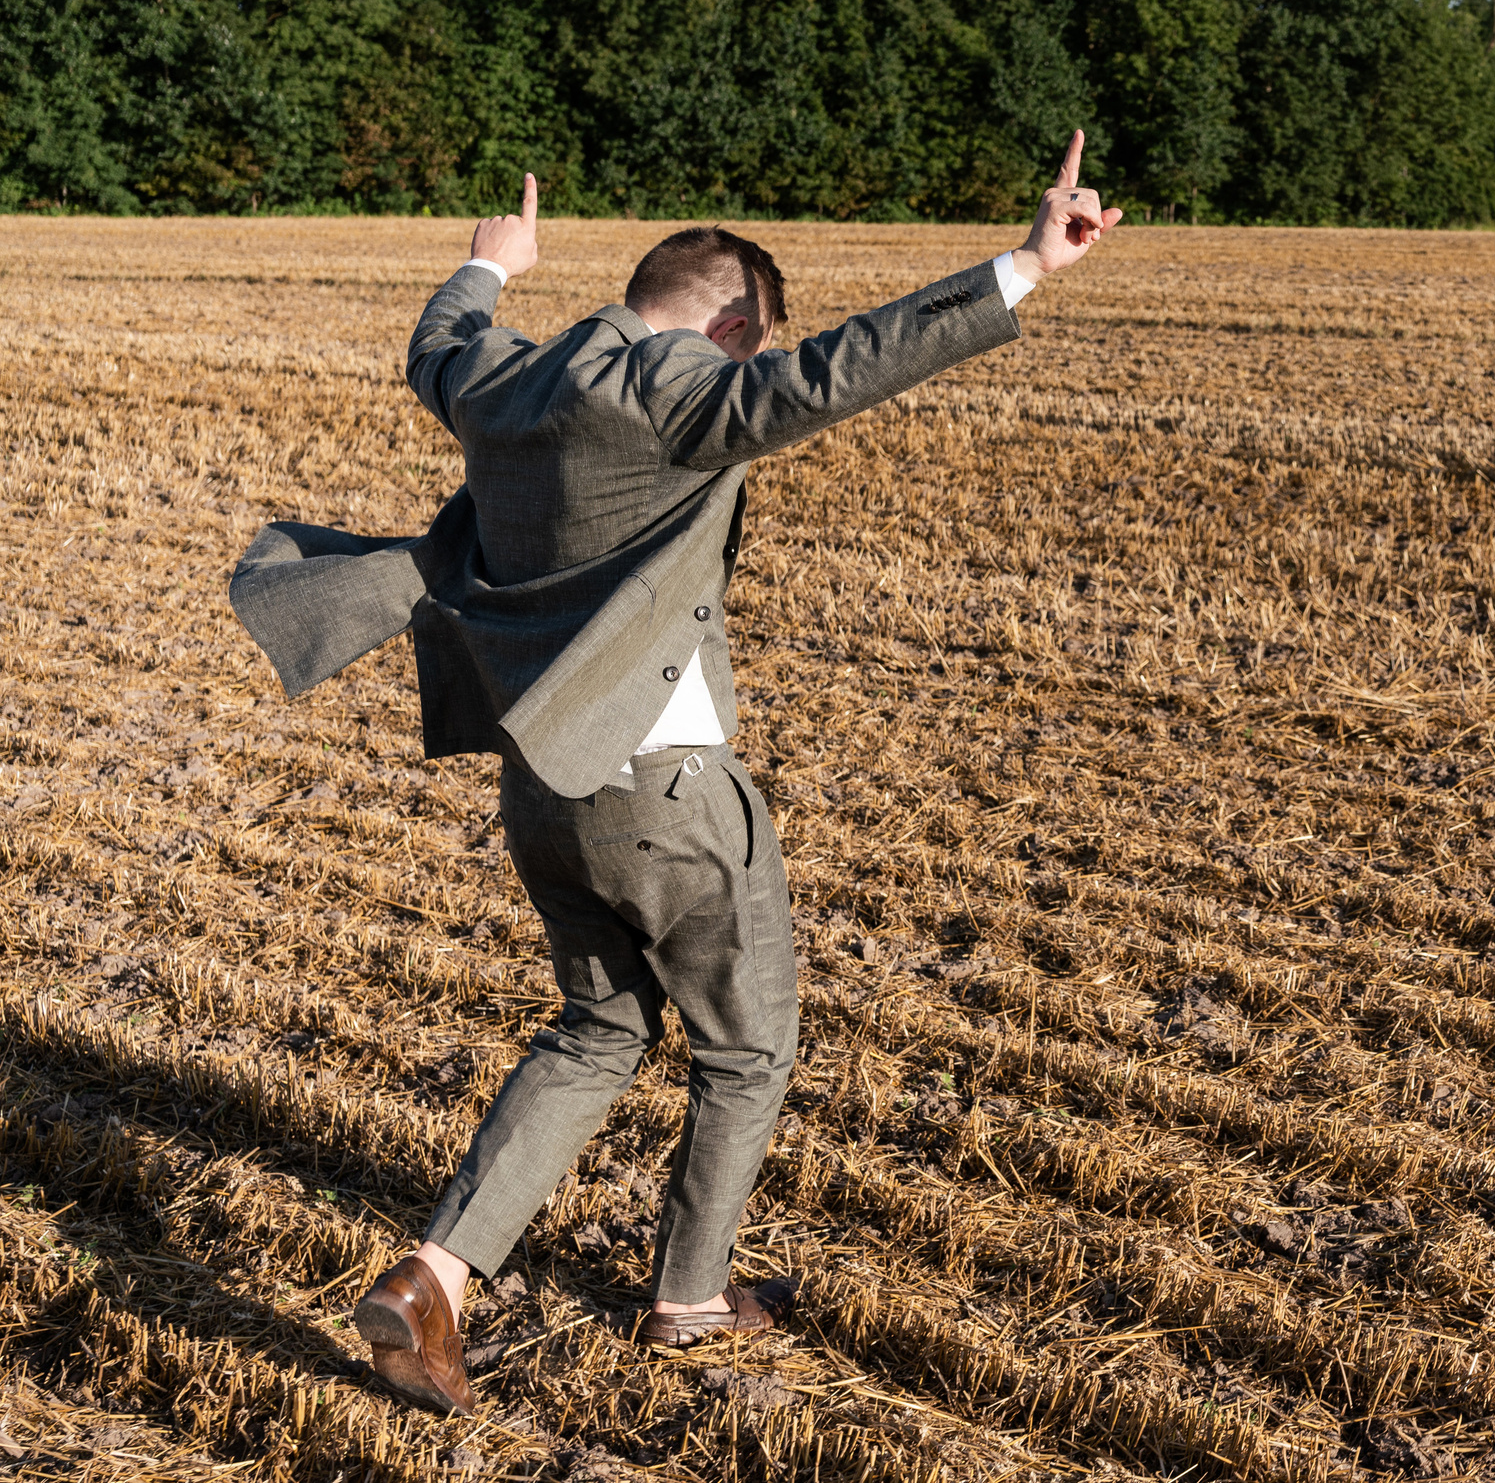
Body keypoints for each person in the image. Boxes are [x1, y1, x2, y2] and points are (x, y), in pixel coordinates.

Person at [229, 136, 1121, 1415]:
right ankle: (690, 1300)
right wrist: (1027, 264)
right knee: (747, 1048)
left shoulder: (508, 377)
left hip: (542, 782)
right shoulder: (688, 391)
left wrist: (487, 268)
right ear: (737, 324)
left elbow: (439, 345)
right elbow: (846, 367)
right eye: (755, 346)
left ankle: (435, 1275)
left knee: (597, 1026)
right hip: (665, 787)